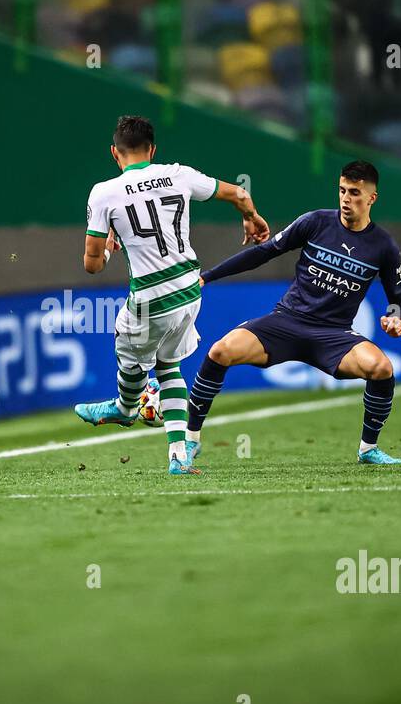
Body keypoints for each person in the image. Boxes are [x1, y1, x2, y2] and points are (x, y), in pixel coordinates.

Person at [71, 114, 269, 476]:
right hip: (190, 289)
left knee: (128, 356)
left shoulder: (103, 193)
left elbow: (92, 266)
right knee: (168, 364)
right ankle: (178, 456)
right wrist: (251, 217)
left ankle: (127, 407)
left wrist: (111, 247)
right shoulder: (178, 174)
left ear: (115, 153)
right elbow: (239, 193)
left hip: (151, 297)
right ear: (153, 149)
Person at [185, 160, 401, 466]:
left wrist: (395, 317)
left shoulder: (384, 246)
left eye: (355, 192)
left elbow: (397, 299)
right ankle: (191, 440)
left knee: (381, 368)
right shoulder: (315, 222)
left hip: (334, 336)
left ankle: (368, 449)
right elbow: (263, 252)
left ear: (372, 198)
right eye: (342, 190)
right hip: (286, 322)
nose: (345, 198)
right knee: (220, 351)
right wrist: (206, 276)